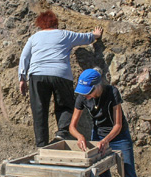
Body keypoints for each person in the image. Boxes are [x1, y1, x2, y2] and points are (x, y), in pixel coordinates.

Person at [69, 68, 147, 177]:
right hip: (97, 137)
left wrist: (106, 140)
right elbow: (72, 126)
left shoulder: (112, 92)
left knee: (129, 175)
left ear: (98, 86)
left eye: (89, 91)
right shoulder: (82, 97)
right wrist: (80, 136)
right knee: (102, 176)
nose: (86, 95)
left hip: (119, 137)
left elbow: (118, 125)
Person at [18, 10, 103, 147]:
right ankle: (62, 133)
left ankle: (41, 144)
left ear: (40, 24)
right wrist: (95, 35)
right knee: (65, 105)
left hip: (37, 75)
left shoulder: (34, 37)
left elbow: (25, 57)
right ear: (55, 23)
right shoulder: (65, 34)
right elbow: (84, 37)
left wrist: (22, 77)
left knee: (39, 109)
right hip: (61, 74)